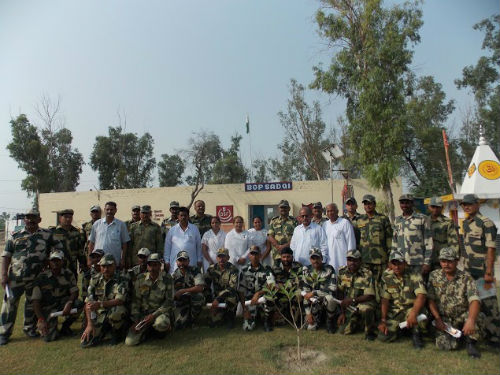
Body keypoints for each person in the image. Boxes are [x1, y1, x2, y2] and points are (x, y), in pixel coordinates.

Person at [0, 209, 63, 345]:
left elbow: (59, 247)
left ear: (39, 220)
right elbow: (6, 256)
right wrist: (3, 275)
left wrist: (50, 260)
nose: (30, 220)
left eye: (34, 217)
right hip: (15, 277)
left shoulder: (47, 235)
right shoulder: (15, 235)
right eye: (28, 218)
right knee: (10, 304)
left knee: (31, 304)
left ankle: (29, 329)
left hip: (35, 278)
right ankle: (4, 332)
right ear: (25, 220)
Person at [460, 193, 499, 347]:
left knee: (489, 304)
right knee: (472, 302)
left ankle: (495, 336)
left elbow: (491, 249)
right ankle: (476, 333)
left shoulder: (486, 223)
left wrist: (489, 272)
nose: (466, 206)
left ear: (478, 204)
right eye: (464, 204)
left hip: (483, 271)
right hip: (470, 270)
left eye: (469, 204)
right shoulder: (466, 223)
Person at [427, 247, 481, 358]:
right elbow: (430, 299)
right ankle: (459, 337)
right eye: (443, 261)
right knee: (444, 345)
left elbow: (474, 300)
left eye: (449, 261)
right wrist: (437, 319)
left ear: (456, 261)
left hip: (462, 315)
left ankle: (470, 343)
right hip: (444, 319)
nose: (446, 264)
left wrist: (470, 320)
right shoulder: (434, 276)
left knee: (476, 316)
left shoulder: (466, 277)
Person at [378, 251, 427, 349]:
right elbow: (385, 300)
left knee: (420, 317)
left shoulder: (414, 275)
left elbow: (421, 296)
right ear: (390, 264)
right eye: (394, 264)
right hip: (396, 312)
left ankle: (416, 334)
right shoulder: (387, 277)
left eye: (399, 263)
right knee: (383, 337)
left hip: (411, 309)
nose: (397, 267)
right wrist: (383, 320)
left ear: (405, 263)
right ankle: (401, 330)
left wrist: (413, 313)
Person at [31, 250, 83, 342]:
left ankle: (65, 328)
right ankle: (48, 327)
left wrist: (69, 303)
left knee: (79, 304)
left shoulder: (68, 273)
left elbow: (74, 292)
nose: (55, 263)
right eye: (53, 260)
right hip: (47, 309)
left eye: (58, 260)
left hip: (63, 304)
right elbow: (36, 301)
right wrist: (41, 319)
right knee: (49, 338)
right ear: (49, 262)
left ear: (62, 261)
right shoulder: (41, 278)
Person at [125, 253, 173, 346]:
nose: (152, 268)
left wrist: (154, 315)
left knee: (161, 323)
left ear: (160, 265)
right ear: (147, 266)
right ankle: (147, 331)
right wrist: (135, 321)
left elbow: (169, 301)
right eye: (150, 265)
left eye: (155, 265)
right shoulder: (140, 279)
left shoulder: (167, 279)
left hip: (159, 314)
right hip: (144, 316)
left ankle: (159, 332)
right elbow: (136, 301)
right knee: (130, 342)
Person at [81, 254, 128, 348]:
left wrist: (100, 304)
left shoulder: (122, 279)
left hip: (113, 311)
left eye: (109, 266)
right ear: (100, 267)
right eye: (103, 266)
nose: (106, 269)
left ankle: (116, 333)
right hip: (100, 313)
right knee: (86, 343)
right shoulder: (95, 279)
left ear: (115, 265)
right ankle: (102, 331)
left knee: (118, 311)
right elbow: (88, 302)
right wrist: (89, 325)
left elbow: (120, 300)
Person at [354, 194, 392, 300]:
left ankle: (381, 310)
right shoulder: (359, 220)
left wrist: (390, 258)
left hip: (380, 260)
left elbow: (389, 239)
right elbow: (356, 240)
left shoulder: (383, 219)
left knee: (382, 286)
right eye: (365, 204)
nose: (367, 206)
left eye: (369, 203)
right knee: (367, 286)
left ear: (374, 204)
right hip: (365, 260)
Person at [336, 249, 377, 340]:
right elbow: (340, 293)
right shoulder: (342, 272)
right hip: (349, 306)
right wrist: (341, 313)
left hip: (363, 303)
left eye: (355, 260)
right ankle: (356, 322)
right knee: (343, 331)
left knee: (366, 309)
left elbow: (370, 295)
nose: (352, 263)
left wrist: (353, 300)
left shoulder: (367, 274)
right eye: (349, 260)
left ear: (360, 261)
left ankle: (370, 332)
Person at [391, 194, 433, 276]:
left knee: (420, 288)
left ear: (412, 203)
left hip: (418, 263)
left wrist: (427, 262)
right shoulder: (397, 220)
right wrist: (392, 260)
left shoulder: (422, 218)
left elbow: (429, 242)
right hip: (401, 263)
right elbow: (394, 242)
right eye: (402, 203)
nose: (404, 205)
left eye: (407, 203)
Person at [301, 248, 338, 333]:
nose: (315, 261)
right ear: (310, 259)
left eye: (317, 258)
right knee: (310, 328)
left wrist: (314, 292)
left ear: (321, 258)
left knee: (330, 298)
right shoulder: (306, 270)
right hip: (313, 302)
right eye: (313, 258)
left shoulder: (329, 269)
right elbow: (306, 294)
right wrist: (308, 313)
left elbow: (332, 289)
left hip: (325, 299)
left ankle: (330, 321)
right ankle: (316, 319)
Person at [239, 246, 274, 332]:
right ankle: (254, 316)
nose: (254, 256)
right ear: (249, 256)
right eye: (252, 254)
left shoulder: (267, 269)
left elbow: (271, 284)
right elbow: (241, 291)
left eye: (256, 254)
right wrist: (244, 309)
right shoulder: (244, 270)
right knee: (248, 328)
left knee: (270, 297)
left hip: (262, 299)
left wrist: (258, 293)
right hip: (250, 301)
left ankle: (266, 320)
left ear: (260, 255)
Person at [88, 201, 130, 269]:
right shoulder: (97, 224)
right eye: (107, 209)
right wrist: (89, 259)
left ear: (115, 210)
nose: (109, 211)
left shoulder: (121, 225)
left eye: (111, 209)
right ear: (104, 210)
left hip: (114, 262)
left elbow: (124, 244)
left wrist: (123, 259)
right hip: (98, 261)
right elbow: (91, 243)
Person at [204, 248, 239, 329]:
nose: (221, 259)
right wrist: (210, 301)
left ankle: (231, 318)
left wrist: (218, 299)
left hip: (227, 296)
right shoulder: (211, 269)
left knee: (233, 297)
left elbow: (232, 287)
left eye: (224, 256)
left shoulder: (233, 269)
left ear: (228, 258)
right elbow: (206, 285)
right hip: (216, 299)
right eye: (219, 257)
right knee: (213, 324)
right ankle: (217, 315)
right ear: (216, 258)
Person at [268, 247, 303, 325]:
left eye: (288, 257)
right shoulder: (275, 266)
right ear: (281, 257)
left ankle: (295, 319)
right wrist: (274, 284)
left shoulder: (298, 266)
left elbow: (300, 281)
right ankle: (273, 316)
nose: (286, 259)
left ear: (292, 257)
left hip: (293, 292)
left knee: (299, 294)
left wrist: (283, 286)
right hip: (280, 292)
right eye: (284, 257)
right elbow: (270, 279)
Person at [172, 251, 205, 329]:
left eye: (184, 260)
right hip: (181, 301)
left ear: (188, 261)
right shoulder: (174, 275)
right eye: (180, 261)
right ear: (176, 262)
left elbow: (200, 288)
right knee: (179, 326)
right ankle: (184, 319)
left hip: (193, 297)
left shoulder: (195, 270)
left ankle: (193, 320)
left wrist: (182, 291)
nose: (182, 263)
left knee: (199, 296)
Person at [51, 208, 87, 280]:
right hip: (56, 267)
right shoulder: (53, 232)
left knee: (72, 288)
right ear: (60, 218)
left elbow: (80, 251)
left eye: (70, 217)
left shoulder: (77, 233)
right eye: (65, 217)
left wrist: (83, 264)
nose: (68, 219)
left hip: (72, 267)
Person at [164, 207, 202, 274]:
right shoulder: (172, 230)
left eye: (185, 215)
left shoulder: (194, 229)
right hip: (175, 264)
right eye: (181, 215)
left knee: (191, 281)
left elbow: (198, 246)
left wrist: (199, 259)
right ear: (178, 217)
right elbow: (167, 247)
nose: (183, 217)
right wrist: (167, 261)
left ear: (188, 216)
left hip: (191, 262)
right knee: (176, 283)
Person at [323, 203, 356, 273]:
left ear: (337, 211)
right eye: (328, 211)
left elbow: (351, 242)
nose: (330, 213)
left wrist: (350, 260)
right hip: (329, 261)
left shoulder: (344, 223)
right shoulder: (325, 225)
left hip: (342, 260)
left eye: (332, 211)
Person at [428, 197, 459, 270]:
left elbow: (454, 241)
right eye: (433, 207)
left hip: (443, 260)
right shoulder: (424, 221)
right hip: (427, 259)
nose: (435, 209)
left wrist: (454, 258)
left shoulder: (448, 222)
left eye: (438, 207)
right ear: (429, 207)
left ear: (442, 207)